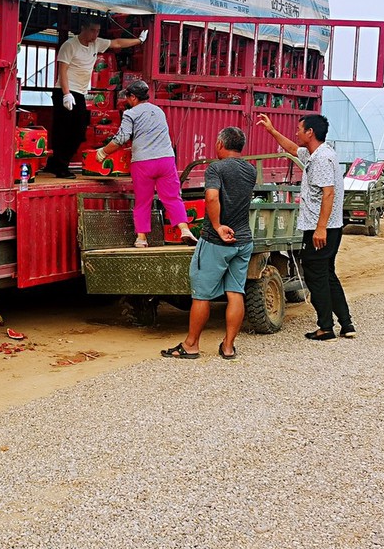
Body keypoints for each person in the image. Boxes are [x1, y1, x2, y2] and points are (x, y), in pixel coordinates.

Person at [161, 126, 257, 360]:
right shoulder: (251, 170)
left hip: (216, 242)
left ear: (220, 144)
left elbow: (212, 196)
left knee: (202, 295)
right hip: (243, 240)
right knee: (236, 292)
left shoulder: (216, 168)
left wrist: (216, 226)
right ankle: (228, 346)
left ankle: (191, 345)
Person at [257, 113, 355, 340]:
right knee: (328, 274)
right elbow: (292, 148)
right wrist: (272, 131)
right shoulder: (319, 153)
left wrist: (320, 228)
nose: (296, 132)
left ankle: (326, 327)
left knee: (315, 276)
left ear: (310, 132)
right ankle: (347, 324)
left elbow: (328, 193)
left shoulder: (321, 159)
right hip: (330, 227)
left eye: (299, 129)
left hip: (322, 228)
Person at [96, 79, 197, 247]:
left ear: (133, 97)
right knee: (172, 197)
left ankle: (141, 238)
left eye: (127, 97)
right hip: (166, 160)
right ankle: (185, 229)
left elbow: (121, 138)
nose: (127, 101)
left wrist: (103, 152)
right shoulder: (158, 111)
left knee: (143, 201)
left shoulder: (131, 113)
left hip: (143, 163)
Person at [47, 19, 146, 178]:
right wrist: (66, 94)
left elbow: (117, 43)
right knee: (63, 131)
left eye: (98, 31)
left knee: (79, 132)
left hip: (79, 93)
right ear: (83, 28)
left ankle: (55, 163)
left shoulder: (96, 43)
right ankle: (60, 166)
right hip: (64, 92)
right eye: (92, 30)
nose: (95, 34)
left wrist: (139, 40)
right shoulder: (70, 45)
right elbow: (62, 71)